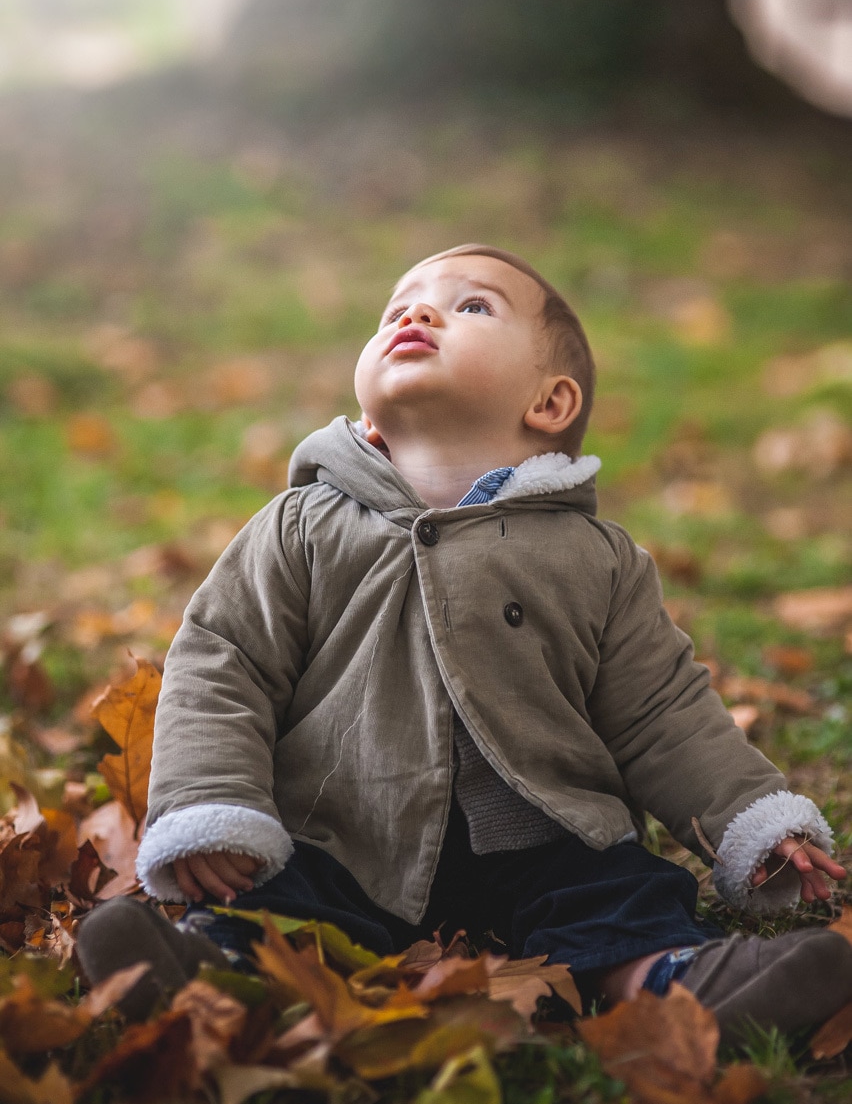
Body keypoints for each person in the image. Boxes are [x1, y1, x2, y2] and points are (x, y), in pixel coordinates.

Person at [79, 244, 851, 1039]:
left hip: (545, 837)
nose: (416, 314)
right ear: (371, 412)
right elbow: (222, 663)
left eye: (472, 306)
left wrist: (755, 821)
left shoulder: (596, 560)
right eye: (397, 309)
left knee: (618, 893)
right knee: (274, 898)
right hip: (343, 830)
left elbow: (663, 710)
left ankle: (676, 983)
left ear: (549, 404)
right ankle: (213, 972)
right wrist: (214, 803)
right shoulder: (301, 528)